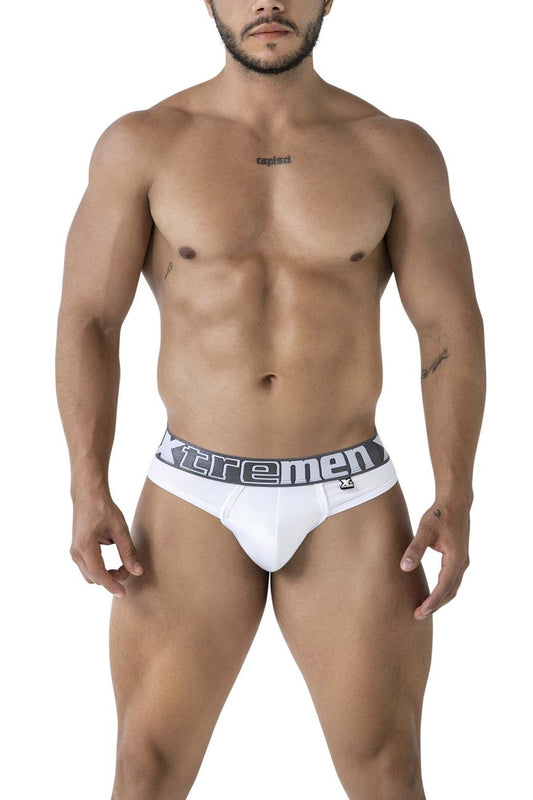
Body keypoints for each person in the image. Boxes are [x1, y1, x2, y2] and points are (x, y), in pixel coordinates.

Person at [55, 1, 486, 798]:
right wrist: (87, 484)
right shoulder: (145, 143)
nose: (267, 3)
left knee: (387, 774)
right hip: (193, 489)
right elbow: (89, 319)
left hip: (347, 495)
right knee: (145, 771)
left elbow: (446, 326)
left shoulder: (393, 149)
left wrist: (454, 493)